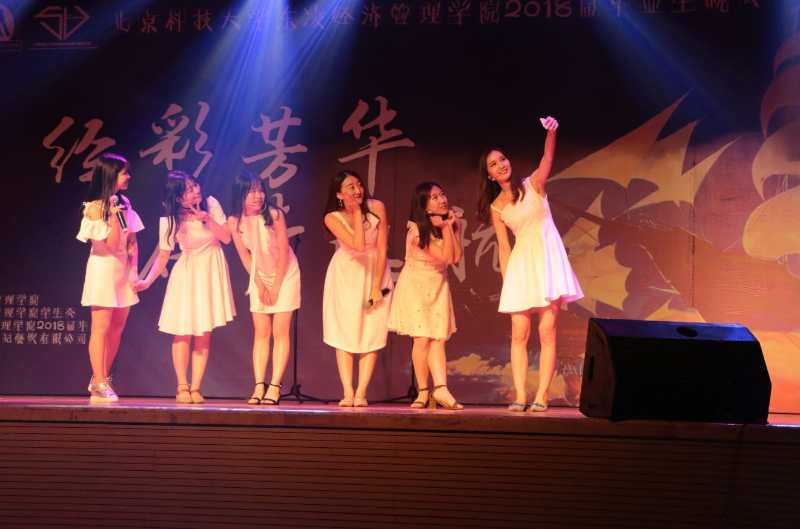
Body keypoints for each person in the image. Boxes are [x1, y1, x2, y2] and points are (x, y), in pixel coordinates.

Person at [477, 117, 583, 412]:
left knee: (547, 332)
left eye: (502, 159)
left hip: (547, 261)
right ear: (489, 175)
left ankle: (542, 395)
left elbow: (547, 158)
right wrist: (507, 283)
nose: (501, 165)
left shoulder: (533, 184)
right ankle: (521, 395)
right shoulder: (497, 206)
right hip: (521, 267)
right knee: (519, 334)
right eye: (494, 164)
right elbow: (504, 246)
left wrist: (551, 133)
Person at [135, 171, 235, 404]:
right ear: (178, 198)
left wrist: (207, 219)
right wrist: (147, 281)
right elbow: (163, 255)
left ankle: (196, 387)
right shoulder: (170, 220)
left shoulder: (211, 204)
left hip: (211, 270)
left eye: (195, 185)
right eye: (189, 189)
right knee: (183, 330)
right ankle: (182, 385)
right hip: (188, 273)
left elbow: (226, 238)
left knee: (204, 331)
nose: (196, 190)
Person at [228, 171, 301, 405]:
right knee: (261, 332)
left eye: (260, 190)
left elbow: (284, 252)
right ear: (241, 194)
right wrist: (259, 284)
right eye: (251, 191)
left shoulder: (274, 215)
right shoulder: (234, 221)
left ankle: (275, 386)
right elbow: (245, 256)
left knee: (280, 331)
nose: (258, 195)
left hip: (285, 274)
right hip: (258, 275)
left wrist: (276, 285)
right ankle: (259, 385)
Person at [389, 182, 463, 410]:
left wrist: (452, 228)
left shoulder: (445, 224)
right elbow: (445, 256)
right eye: (434, 197)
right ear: (424, 205)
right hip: (416, 286)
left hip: (438, 285)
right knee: (422, 338)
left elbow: (455, 257)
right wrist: (447, 228)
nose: (442, 200)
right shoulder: (416, 231)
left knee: (438, 338)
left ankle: (440, 388)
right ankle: (423, 391)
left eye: (442, 194)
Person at [77, 153, 144, 403]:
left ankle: (100, 377)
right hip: (103, 270)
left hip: (122, 272)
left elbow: (132, 241)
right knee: (101, 328)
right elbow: (112, 244)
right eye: (124, 173)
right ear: (111, 175)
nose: (128, 177)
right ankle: (99, 380)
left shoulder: (124, 202)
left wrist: (133, 271)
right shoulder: (94, 208)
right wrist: (114, 217)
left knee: (117, 328)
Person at [322, 170, 392, 407]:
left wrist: (376, 286)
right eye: (350, 187)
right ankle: (348, 391)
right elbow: (358, 245)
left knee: (371, 331)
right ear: (339, 194)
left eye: (359, 185)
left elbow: (382, 247)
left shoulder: (377, 206)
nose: (357, 190)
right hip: (347, 274)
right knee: (345, 332)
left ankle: (361, 392)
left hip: (376, 271)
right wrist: (357, 213)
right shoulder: (332, 217)